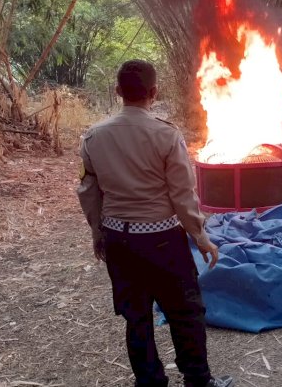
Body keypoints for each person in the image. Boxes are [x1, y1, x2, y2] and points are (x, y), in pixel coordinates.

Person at [76, 60, 234, 387]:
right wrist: (200, 236)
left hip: (118, 240)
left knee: (136, 318)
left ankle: (149, 382)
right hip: (163, 240)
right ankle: (198, 381)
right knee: (185, 314)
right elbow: (182, 194)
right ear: (153, 92)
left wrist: (97, 233)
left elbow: (89, 192)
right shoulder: (165, 135)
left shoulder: (94, 137)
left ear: (117, 91)